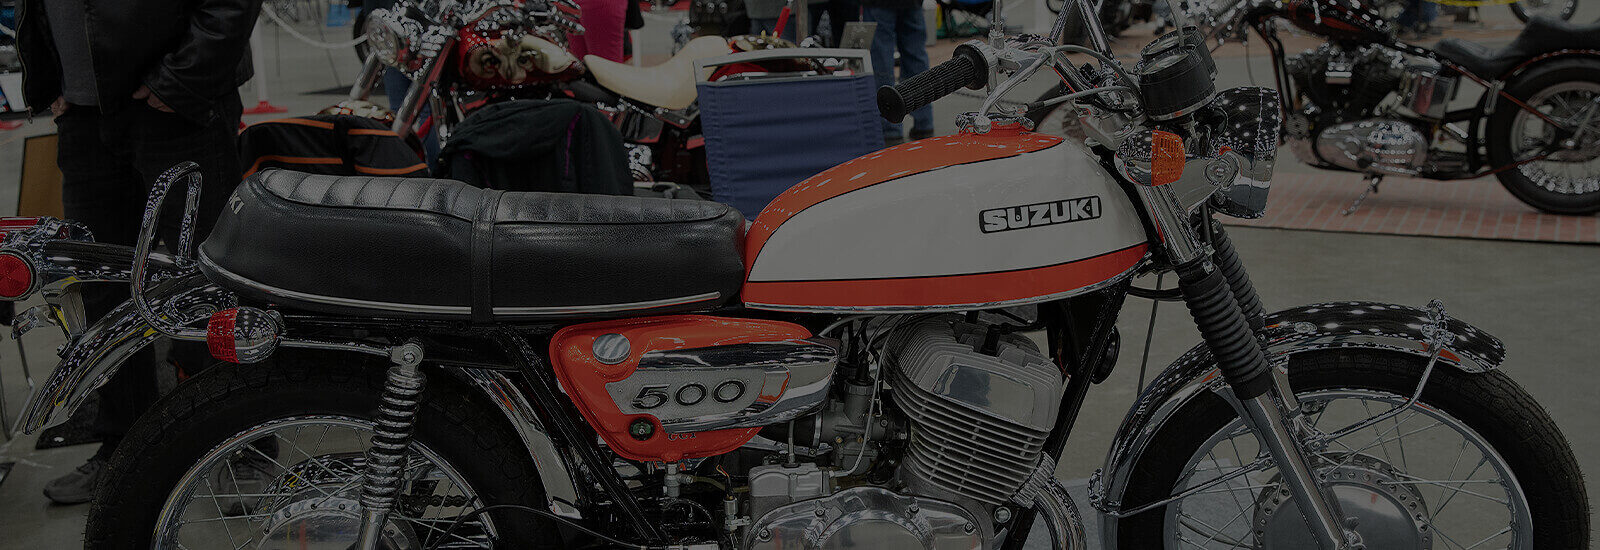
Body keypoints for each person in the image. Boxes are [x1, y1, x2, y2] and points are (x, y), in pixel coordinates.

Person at [16, 0, 261, 504]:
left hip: (180, 106)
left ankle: (241, 441)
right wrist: (53, 81)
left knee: (210, 281)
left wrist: (182, 79)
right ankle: (122, 448)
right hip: (84, 116)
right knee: (102, 293)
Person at [862, 0, 935, 143]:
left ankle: (889, 127)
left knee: (881, 62)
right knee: (916, 57)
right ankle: (924, 122)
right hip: (912, 3)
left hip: (878, 5)